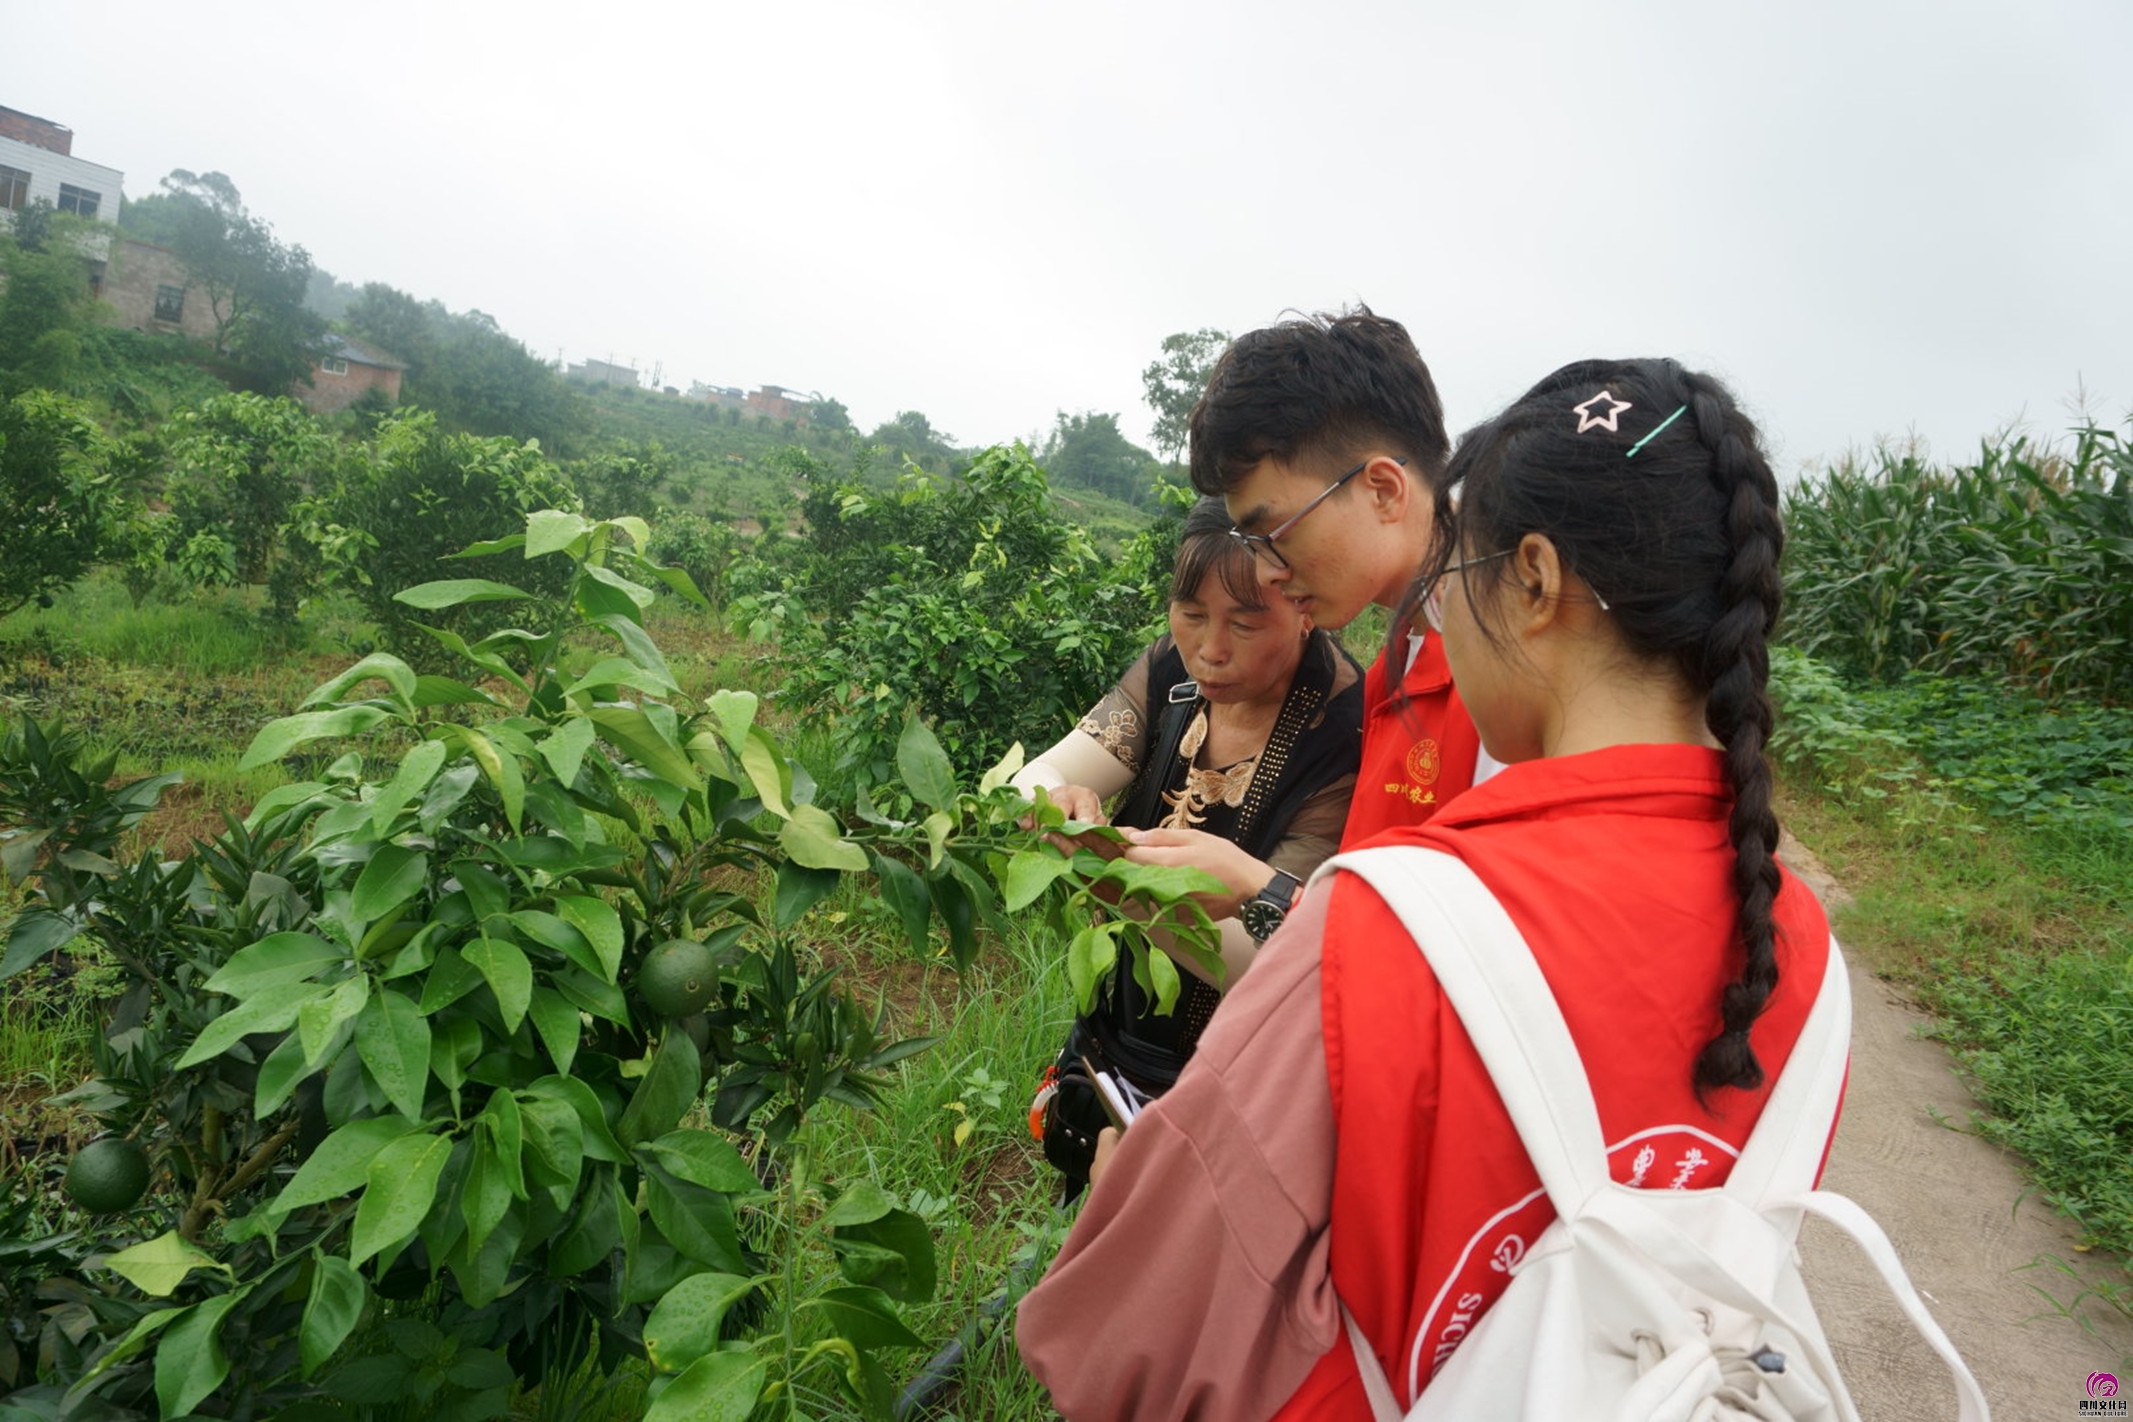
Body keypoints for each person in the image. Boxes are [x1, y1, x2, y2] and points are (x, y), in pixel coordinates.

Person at [1017, 357, 1836, 1420]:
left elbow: (1154, 1325)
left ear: (1532, 582)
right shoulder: (1800, 946)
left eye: (1470, 571)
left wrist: (1137, 1177)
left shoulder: (1399, 911)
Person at [1012, 497, 1362, 1192]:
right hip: (1117, 1037)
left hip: (1241, 1077)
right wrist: (1054, 802)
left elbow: (1272, 957)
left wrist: (1124, 888)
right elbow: (1040, 774)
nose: (1210, 648)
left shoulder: (1344, 731)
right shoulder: (1172, 672)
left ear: (1305, 606)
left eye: (1245, 621)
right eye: (1191, 613)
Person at [1115, 308, 1495, 937]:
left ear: (1382, 490)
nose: (1265, 573)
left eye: (1273, 532)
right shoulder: (1398, 667)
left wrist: (1256, 888)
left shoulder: (1522, 675)